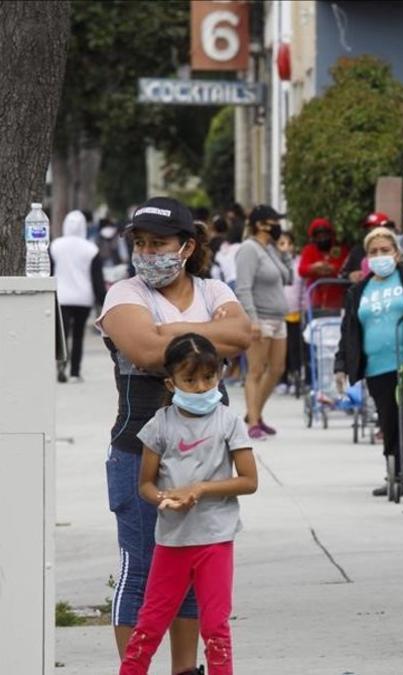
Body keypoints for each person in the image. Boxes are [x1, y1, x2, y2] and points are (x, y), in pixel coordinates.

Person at [96, 197, 252, 675]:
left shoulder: (214, 287)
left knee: (190, 574)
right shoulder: (125, 295)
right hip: (139, 457)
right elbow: (144, 350)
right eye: (139, 243)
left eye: (158, 243)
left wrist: (172, 330)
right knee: (143, 572)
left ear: (186, 246)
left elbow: (242, 334)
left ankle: (185, 670)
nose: (146, 252)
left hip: (208, 465)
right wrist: (208, 335)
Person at [119, 333, 258, 675]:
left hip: (215, 541)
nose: (200, 387)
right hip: (172, 542)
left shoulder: (229, 422)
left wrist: (201, 489)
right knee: (148, 628)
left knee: (215, 630)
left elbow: (249, 481)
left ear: (219, 375)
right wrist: (166, 498)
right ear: (171, 382)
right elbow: (146, 486)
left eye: (208, 378)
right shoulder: (159, 426)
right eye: (190, 379)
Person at [334, 227, 403, 496]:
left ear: (396, 254)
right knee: (389, 420)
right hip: (376, 367)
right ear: (367, 258)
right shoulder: (359, 290)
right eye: (374, 252)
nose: (380, 256)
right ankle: (395, 472)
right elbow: (349, 330)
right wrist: (341, 365)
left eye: (385, 250)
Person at [234, 205, 293, 439]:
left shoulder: (269, 249)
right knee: (256, 370)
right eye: (273, 221)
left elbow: (288, 278)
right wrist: (252, 320)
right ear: (260, 224)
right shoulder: (249, 249)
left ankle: (254, 413)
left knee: (277, 368)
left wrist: (284, 252)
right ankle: (253, 422)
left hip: (279, 319)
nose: (278, 226)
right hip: (261, 317)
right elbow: (243, 287)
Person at [52, 209, 103, 382]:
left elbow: (50, 272)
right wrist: (102, 301)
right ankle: (75, 372)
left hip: (61, 296)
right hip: (83, 297)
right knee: (79, 336)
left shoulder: (55, 246)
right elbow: (97, 279)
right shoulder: (91, 249)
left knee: (62, 334)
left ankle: (60, 364)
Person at [298, 217, 348, 312]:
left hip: (337, 300)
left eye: (325, 235)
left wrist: (331, 269)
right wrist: (314, 268)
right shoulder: (309, 249)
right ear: (314, 237)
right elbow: (301, 270)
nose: (323, 238)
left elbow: (344, 268)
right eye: (319, 236)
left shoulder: (339, 249)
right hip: (315, 299)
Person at [277, 231, 305, 392]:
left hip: (295, 312)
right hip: (278, 313)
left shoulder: (299, 263)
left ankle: (296, 377)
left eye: (288, 243)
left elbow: (302, 288)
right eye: (281, 244)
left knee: (295, 347)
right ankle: (282, 379)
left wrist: (303, 308)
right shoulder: (273, 264)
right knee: (280, 348)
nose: (285, 247)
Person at [341, 211, 396, 284]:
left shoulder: (397, 250)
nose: (371, 233)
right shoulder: (357, 250)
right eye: (368, 230)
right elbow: (342, 274)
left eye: (375, 229)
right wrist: (350, 275)